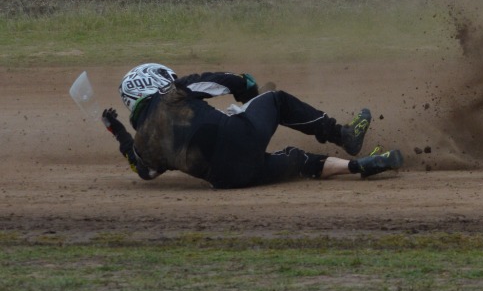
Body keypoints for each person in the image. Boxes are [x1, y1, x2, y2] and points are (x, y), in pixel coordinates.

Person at [100, 63, 403, 189]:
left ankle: (359, 166)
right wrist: (249, 97)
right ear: (157, 81)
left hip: (229, 179)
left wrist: (118, 131)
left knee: (297, 160)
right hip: (239, 136)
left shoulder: (143, 145)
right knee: (278, 101)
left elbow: (144, 171)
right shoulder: (173, 91)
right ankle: (344, 135)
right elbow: (236, 81)